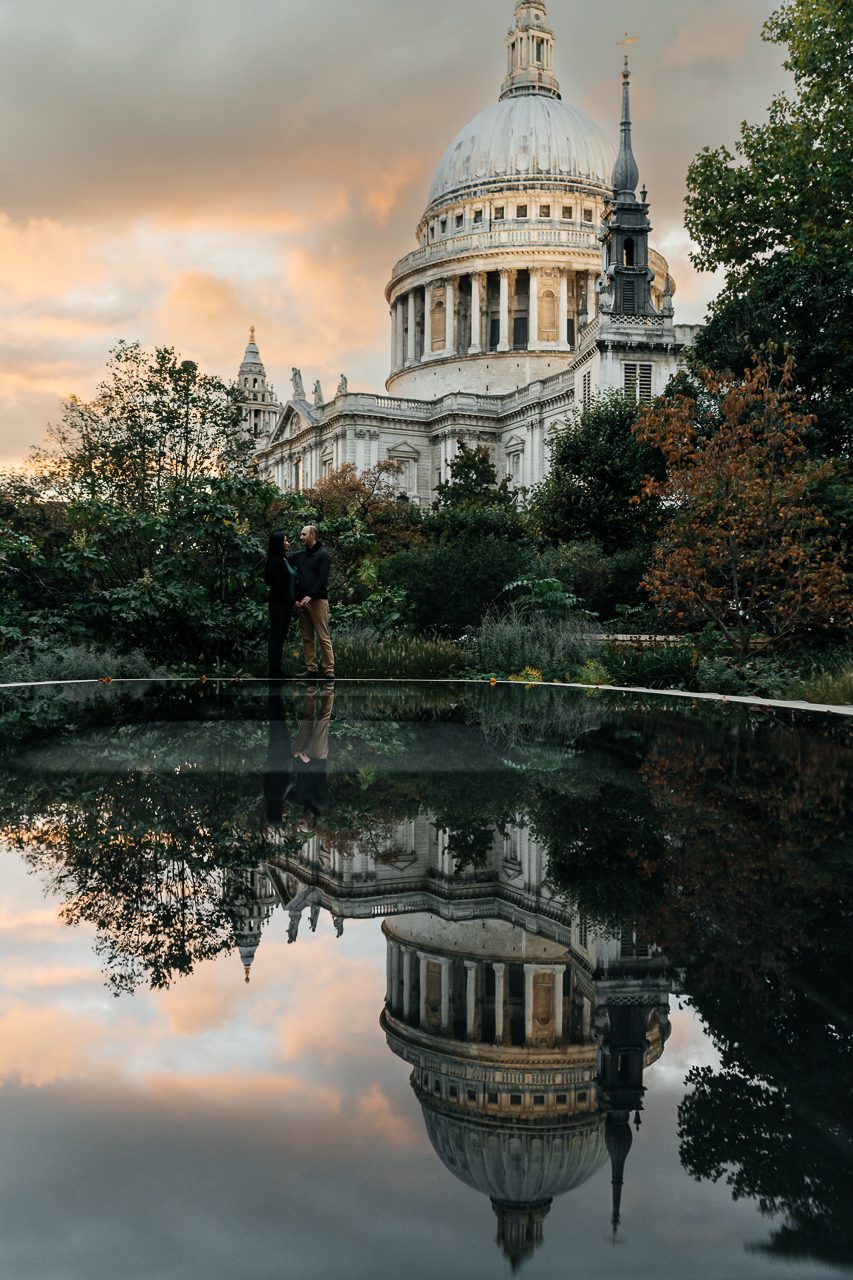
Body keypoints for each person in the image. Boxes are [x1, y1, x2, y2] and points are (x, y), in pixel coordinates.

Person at [294, 524, 335, 680]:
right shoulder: (300, 556)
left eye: (303, 534)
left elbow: (322, 578)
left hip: (317, 601)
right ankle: (311, 669)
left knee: (323, 636)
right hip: (301, 602)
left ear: (312, 536)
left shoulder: (323, 554)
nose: (301, 537)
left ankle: (329, 669)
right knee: (307, 637)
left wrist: (310, 595)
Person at [264, 531, 297, 679]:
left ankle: (279, 669)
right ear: (279, 543)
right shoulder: (273, 561)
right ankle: (273, 670)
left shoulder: (285, 560)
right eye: (285, 540)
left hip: (287, 604)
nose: (288, 543)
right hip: (278, 603)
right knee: (276, 636)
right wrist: (291, 601)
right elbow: (277, 585)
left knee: (282, 636)